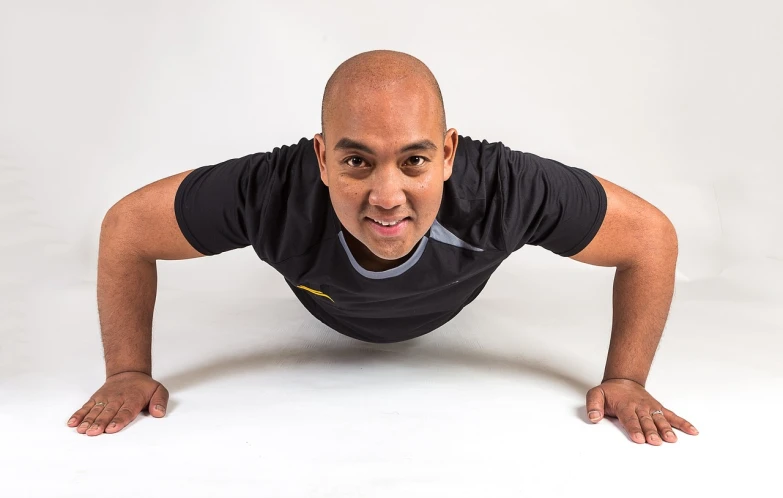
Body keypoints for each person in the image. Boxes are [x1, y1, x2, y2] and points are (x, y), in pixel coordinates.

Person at [67, 49, 699, 445]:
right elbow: (127, 229)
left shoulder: (505, 189)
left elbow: (650, 238)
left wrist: (626, 378)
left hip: (447, 307)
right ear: (320, 157)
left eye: (415, 160)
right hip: (326, 308)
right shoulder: (270, 192)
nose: (387, 196)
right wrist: (127, 371)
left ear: (449, 154)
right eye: (358, 162)